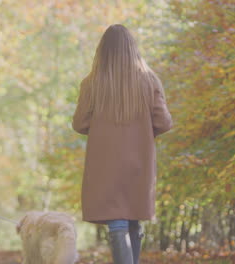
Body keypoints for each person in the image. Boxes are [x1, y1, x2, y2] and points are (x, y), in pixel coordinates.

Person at [72, 24, 173, 264]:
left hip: (105, 165)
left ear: (102, 51)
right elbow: (165, 122)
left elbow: (79, 123)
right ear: (133, 49)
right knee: (132, 219)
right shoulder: (149, 80)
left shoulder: (92, 83)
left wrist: (101, 130)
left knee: (117, 220)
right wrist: (142, 134)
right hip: (139, 164)